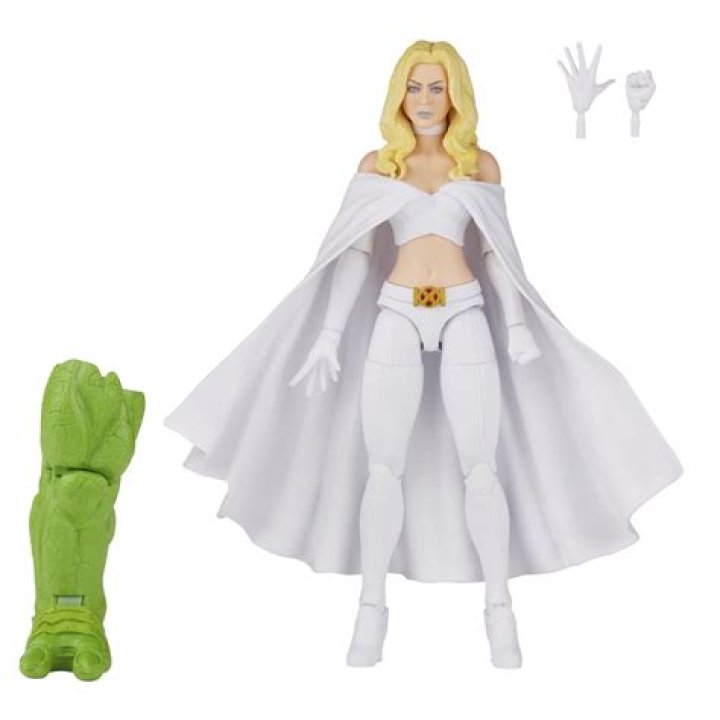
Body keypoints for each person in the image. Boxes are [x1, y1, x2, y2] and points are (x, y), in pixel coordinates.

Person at [165, 40, 682, 670]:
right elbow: (354, 254)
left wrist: (516, 324)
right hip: (397, 309)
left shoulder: (479, 165)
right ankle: (371, 608)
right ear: (398, 95)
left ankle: (499, 608)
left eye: (438, 87)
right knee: (383, 468)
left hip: (463, 309)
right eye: (415, 87)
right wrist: (328, 334)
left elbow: (496, 251)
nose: (426, 100)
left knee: (481, 467)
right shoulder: (379, 164)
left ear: (456, 94)